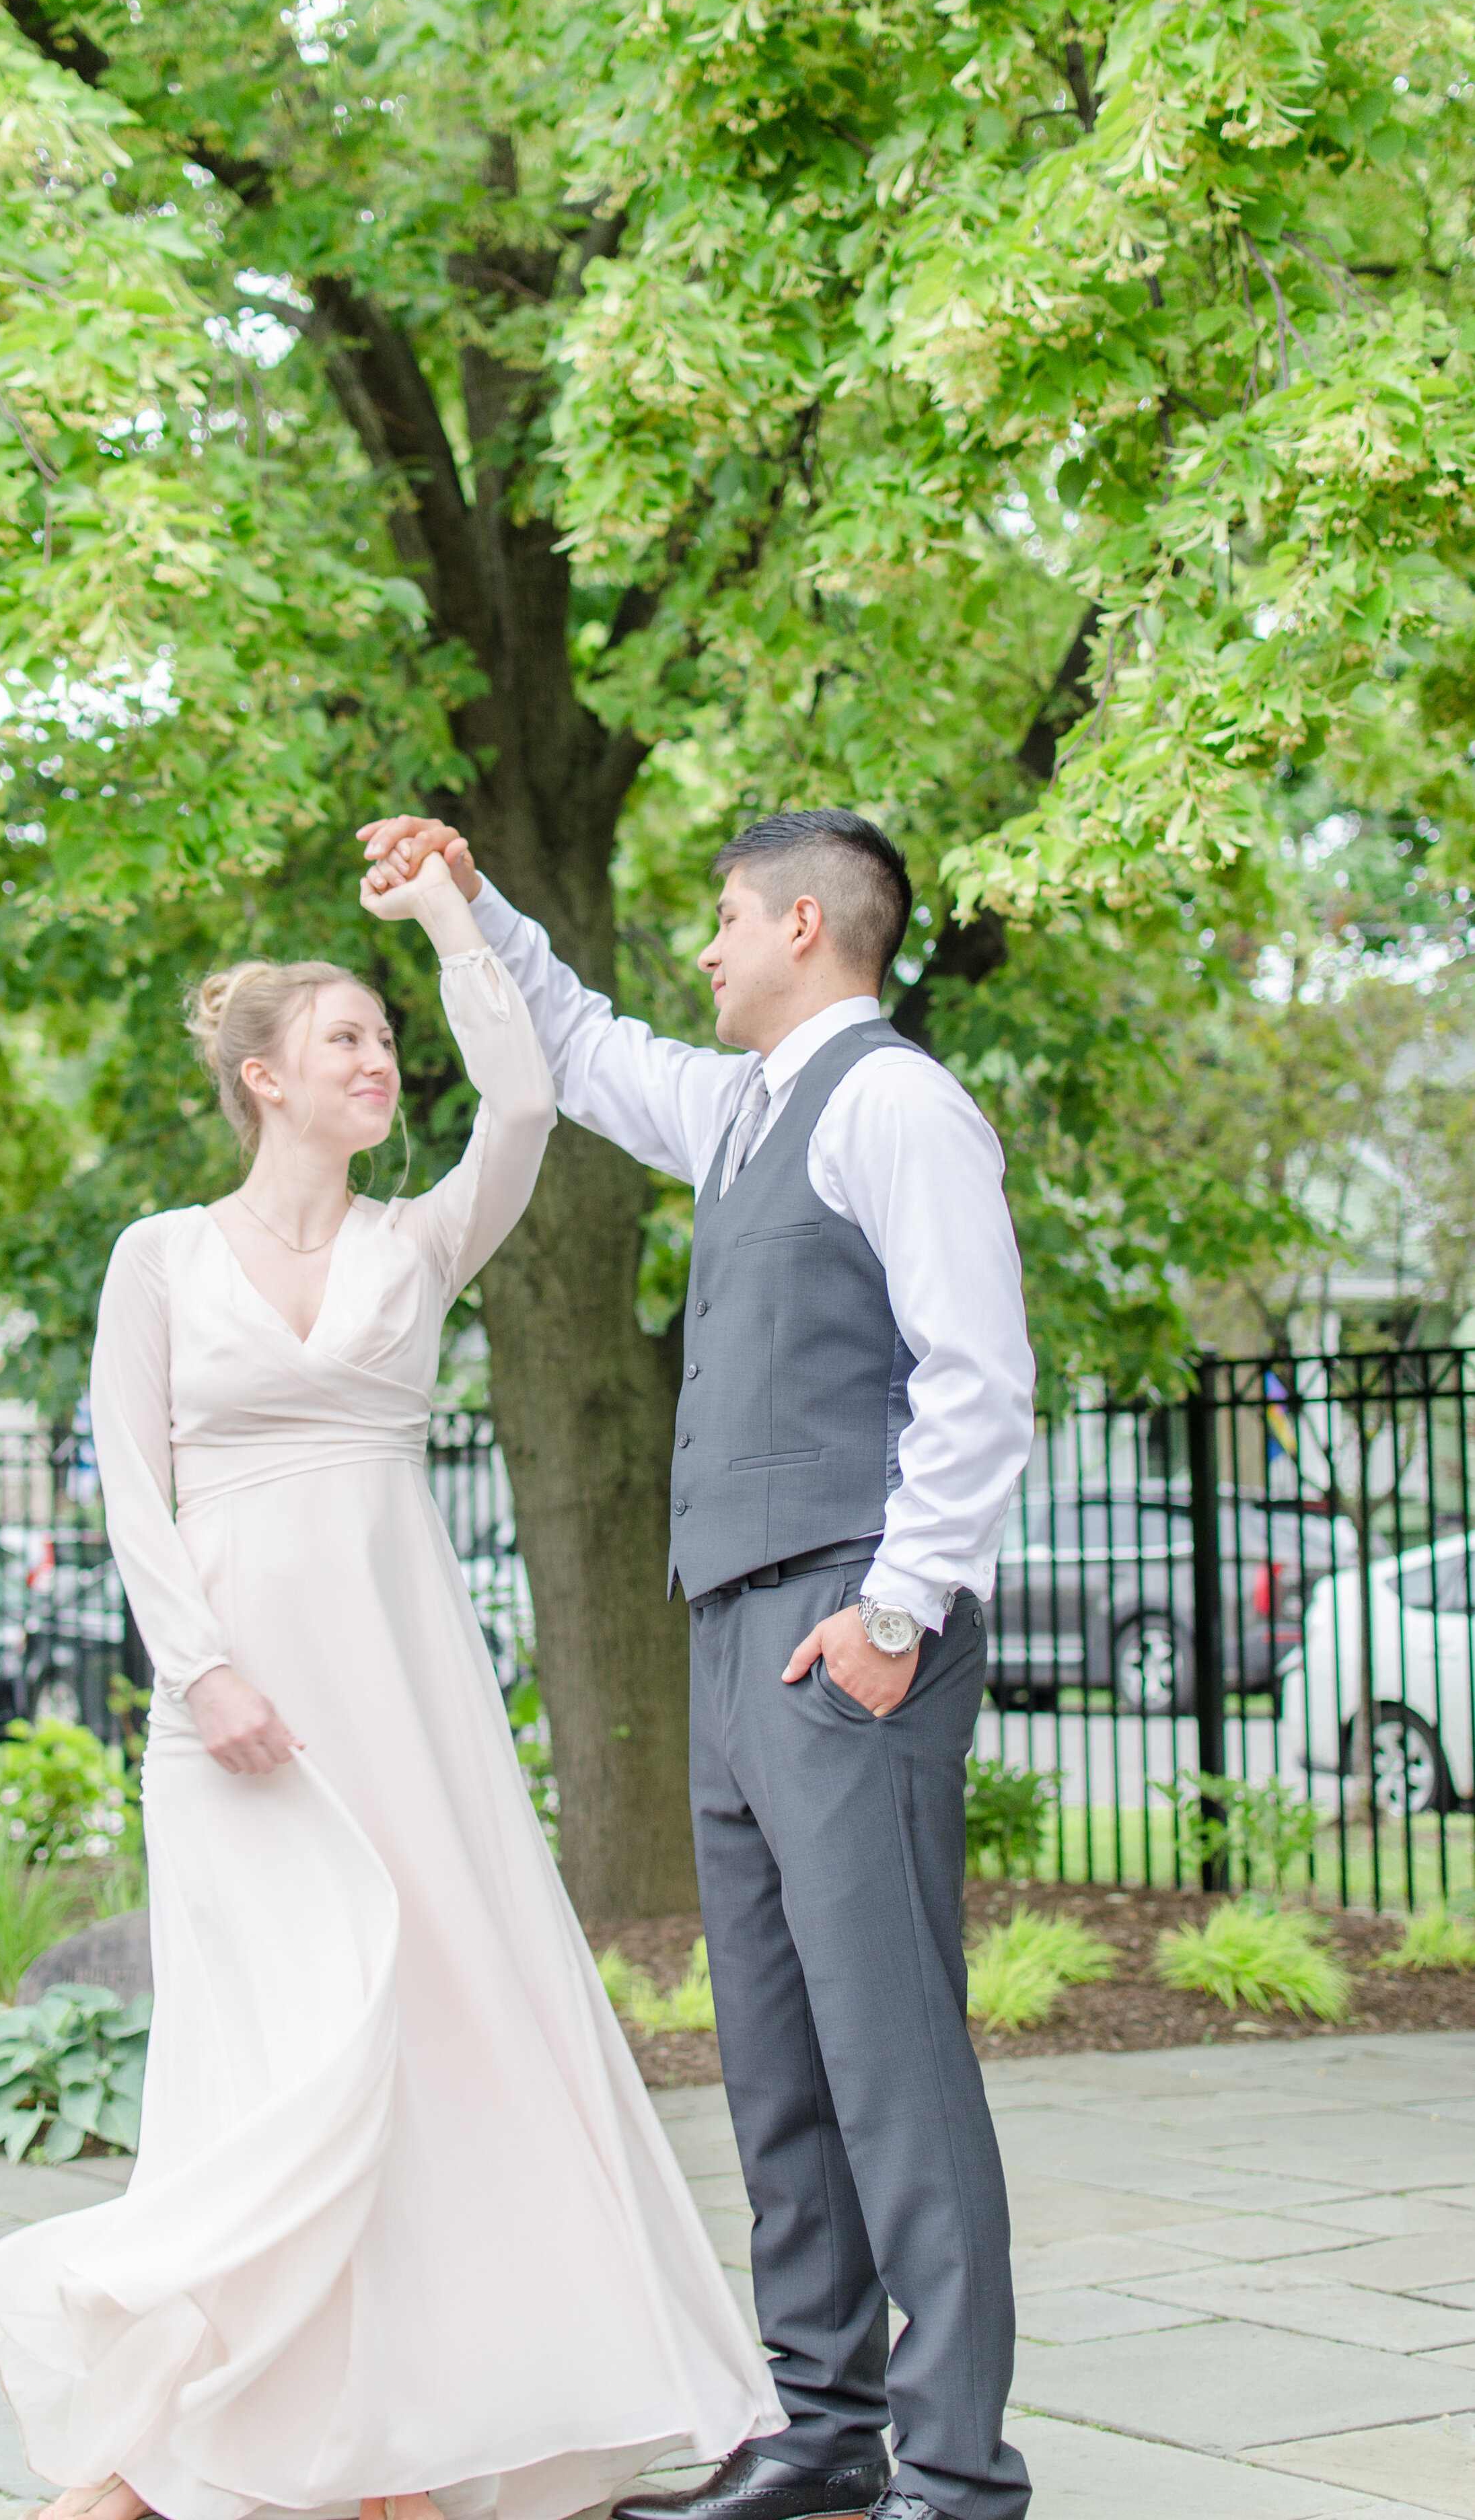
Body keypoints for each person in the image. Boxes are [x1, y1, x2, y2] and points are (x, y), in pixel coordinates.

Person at [0, 854, 782, 2520]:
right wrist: (201, 1675)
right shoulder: (157, 1258)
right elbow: (132, 1487)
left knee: (433, 2033)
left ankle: (399, 2449)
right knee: (263, 2066)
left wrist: (451, 922)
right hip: (232, 1714)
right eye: (344, 1037)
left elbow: (526, 1100)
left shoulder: (419, 1245)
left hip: (402, 1698)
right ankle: (160, 2452)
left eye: (385, 1039)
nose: (376, 1060)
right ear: (262, 1076)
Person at [360, 811, 1037, 2520]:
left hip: (846, 1631)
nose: (708, 946)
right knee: (775, 2058)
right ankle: (821, 2430)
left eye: (727, 917)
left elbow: (977, 1375)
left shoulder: (894, 1105)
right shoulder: (739, 1109)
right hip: (732, 1631)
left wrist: (892, 1615)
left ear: (804, 924)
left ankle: (958, 2474)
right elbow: (580, 1045)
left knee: (889, 2057)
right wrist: (468, 901)